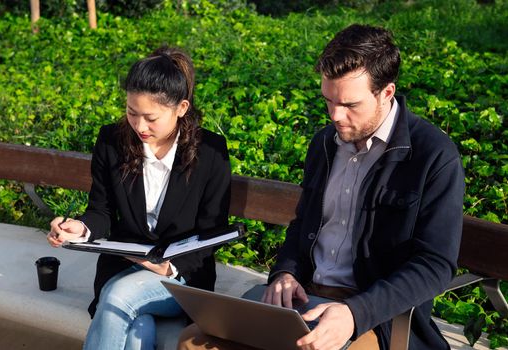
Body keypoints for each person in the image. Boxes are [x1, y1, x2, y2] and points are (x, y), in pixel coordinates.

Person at [177, 24, 464, 350]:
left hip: (375, 314)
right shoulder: (324, 144)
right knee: (194, 342)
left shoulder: (433, 155)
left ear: (386, 92)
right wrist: (284, 273)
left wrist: (356, 313)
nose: (335, 116)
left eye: (350, 105)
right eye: (328, 100)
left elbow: (434, 265)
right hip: (304, 297)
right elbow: (303, 228)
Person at [47, 46, 231, 350]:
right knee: (137, 331)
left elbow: (213, 229)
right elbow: (101, 211)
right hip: (121, 266)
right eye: (132, 113)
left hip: (183, 277)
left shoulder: (210, 152)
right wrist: (80, 228)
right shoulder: (112, 141)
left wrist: (170, 267)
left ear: (181, 107)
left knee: (118, 297)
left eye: (150, 117)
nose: (139, 126)